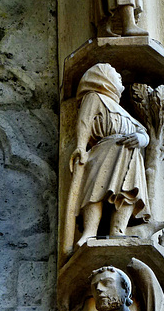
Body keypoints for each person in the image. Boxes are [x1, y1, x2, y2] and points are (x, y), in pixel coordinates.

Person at [63, 63, 151, 255]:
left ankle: (117, 231)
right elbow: (84, 121)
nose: (120, 82)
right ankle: (90, 232)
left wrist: (141, 139)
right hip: (104, 150)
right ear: (105, 77)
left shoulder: (124, 112)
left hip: (130, 155)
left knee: (129, 191)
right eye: (117, 77)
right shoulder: (95, 98)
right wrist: (80, 146)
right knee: (95, 192)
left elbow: (143, 133)